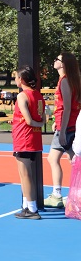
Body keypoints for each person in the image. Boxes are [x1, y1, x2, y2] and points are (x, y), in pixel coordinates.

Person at [45, 52, 81, 208]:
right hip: (68, 124)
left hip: (66, 126)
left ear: (64, 64)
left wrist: (62, 129)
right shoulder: (70, 80)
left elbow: (67, 108)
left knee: (53, 159)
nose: (55, 61)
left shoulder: (65, 81)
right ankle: (73, 192)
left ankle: (57, 194)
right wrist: (56, 121)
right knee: (73, 160)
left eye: (57, 59)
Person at [10, 66, 45, 219]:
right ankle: (26, 205)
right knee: (25, 173)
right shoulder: (38, 95)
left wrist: (34, 124)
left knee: (25, 174)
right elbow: (42, 117)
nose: (15, 79)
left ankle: (32, 208)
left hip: (24, 138)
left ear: (22, 79)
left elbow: (30, 120)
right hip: (34, 138)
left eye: (17, 77)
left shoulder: (22, 96)